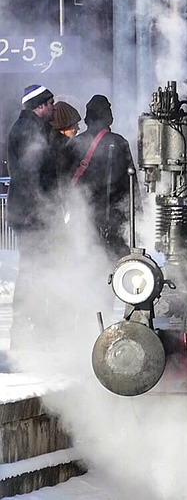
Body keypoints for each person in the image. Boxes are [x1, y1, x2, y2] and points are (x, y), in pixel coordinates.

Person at [5, 83, 58, 348]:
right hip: (33, 215)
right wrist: (46, 209)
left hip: (29, 212)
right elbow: (32, 176)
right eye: (51, 102)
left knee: (38, 270)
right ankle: (27, 331)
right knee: (34, 271)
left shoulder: (31, 129)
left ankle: (33, 328)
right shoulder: (30, 132)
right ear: (40, 105)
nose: (54, 107)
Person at [66, 94, 136, 261]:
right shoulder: (119, 142)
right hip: (115, 217)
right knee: (116, 261)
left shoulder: (75, 144)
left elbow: (64, 180)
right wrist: (136, 211)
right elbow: (131, 183)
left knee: (86, 258)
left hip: (83, 214)